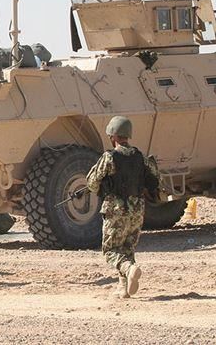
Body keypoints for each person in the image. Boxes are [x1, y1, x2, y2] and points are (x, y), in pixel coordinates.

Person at [86, 116, 160, 298]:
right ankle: (124, 288)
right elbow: (155, 178)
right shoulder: (141, 157)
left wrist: (102, 188)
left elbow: (92, 182)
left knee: (111, 251)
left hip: (115, 209)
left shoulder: (109, 157)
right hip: (137, 209)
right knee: (127, 248)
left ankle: (129, 269)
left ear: (113, 136)